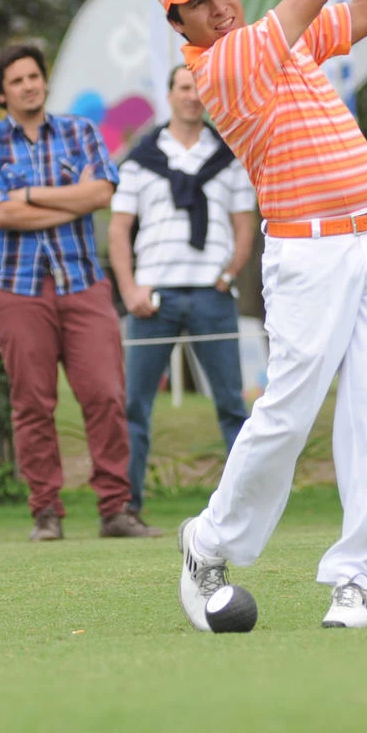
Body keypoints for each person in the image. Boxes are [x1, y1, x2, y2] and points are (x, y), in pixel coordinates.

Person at [154, 0, 367, 630]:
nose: (217, 7)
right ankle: (209, 539)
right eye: (198, 4)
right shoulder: (222, 67)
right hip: (308, 257)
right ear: (182, 28)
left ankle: (352, 579)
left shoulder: (285, 45)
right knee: (288, 416)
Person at [0, 43, 147, 541]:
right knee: (32, 404)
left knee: (107, 394)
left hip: (83, 282)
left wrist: (27, 195)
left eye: (34, 76)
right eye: (18, 80)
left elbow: (102, 192)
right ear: (2, 94)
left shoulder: (81, 132)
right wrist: (72, 203)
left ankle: (116, 510)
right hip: (16, 289)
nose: (29, 85)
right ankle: (46, 513)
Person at [108, 63, 256, 526]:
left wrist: (230, 273)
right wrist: (128, 287)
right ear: (169, 94)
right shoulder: (139, 157)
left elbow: (244, 222)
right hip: (153, 298)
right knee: (135, 405)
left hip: (212, 295)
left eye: (198, 88)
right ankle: (127, 507)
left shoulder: (228, 155)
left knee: (232, 403)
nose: (192, 96)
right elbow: (119, 228)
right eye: (183, 87)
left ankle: (245, 508)